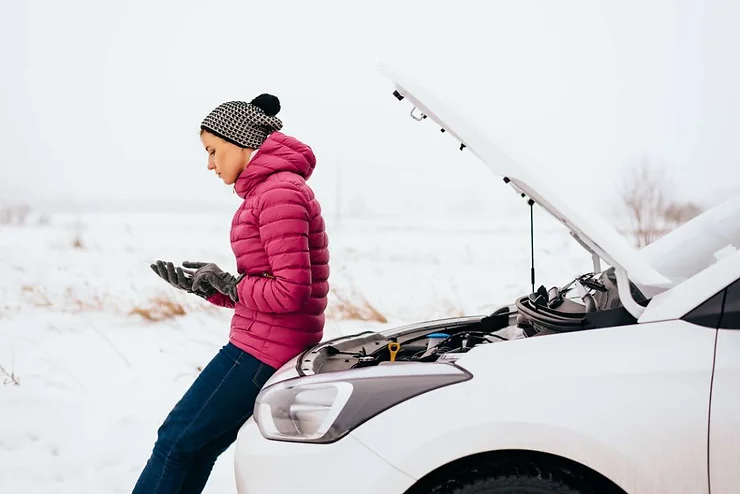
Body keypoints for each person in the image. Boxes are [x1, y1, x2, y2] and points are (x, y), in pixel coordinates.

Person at [132, 93, 330, 494]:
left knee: (175, 441)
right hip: (264, 339)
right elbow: (265, 286)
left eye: (212, 151)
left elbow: (291, 292)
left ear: (240, 140)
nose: (209, 164)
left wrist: (230, 283)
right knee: (194, 448)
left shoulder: (280, 193)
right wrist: (209, 287)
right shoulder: (269, 191)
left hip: (267, 348)